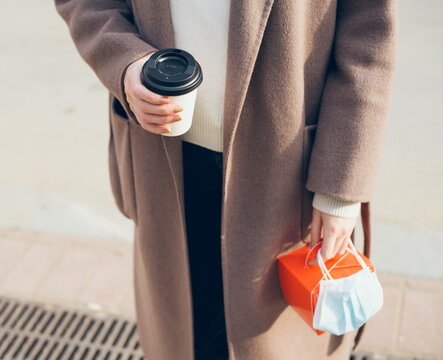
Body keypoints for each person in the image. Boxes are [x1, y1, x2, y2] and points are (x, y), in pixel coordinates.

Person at [54, 0, 398, 359]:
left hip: (288, 171)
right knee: (186, 335)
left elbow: (368, 32)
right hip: (162, 157)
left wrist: (341, 185)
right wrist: (124, 61)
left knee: (276, 340)